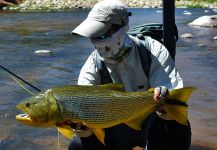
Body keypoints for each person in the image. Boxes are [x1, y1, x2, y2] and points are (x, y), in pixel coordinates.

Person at [70, 0, 191, 150]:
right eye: (93, 35)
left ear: (123, 27)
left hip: (152, 121)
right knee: (78, 145)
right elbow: (81, 103)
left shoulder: (153, 51)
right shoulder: (92, 66)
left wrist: (166, 101)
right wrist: (84, 131)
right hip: (113, 126)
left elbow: (171, 91)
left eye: (101, 33)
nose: (95, 40)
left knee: (176, 123)